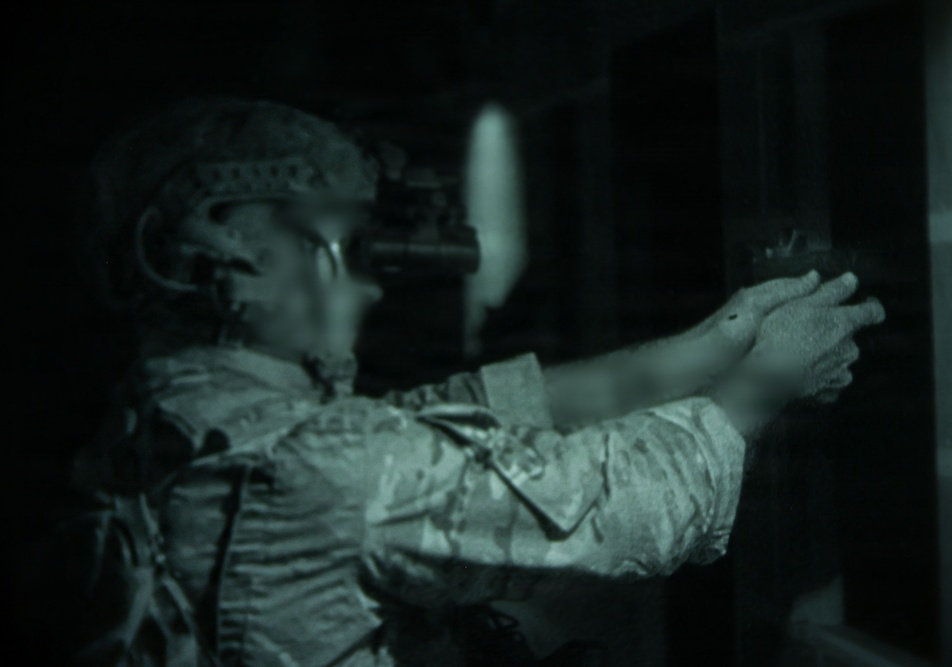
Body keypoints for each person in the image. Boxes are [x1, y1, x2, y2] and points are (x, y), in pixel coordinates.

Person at [68, 97, 885, 667]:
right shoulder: (316, 462)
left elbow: (440, 420)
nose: (370, 287)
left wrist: (707, 346)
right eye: (343, 250)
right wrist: (762, 386)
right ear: (242, 254)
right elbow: (615, 511)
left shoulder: (170, 414)